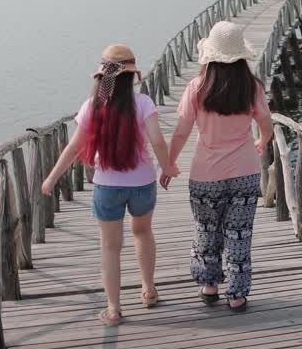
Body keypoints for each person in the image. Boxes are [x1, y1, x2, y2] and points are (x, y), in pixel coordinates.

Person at [43, 44, 178, 326]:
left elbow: (74, 147)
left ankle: (114, 309)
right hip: (142, 182)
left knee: (110, 247)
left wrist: (53, 177)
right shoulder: (143, 103)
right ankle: (149, 290)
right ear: (132, 76)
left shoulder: (93, 106)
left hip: (108, 187)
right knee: (143, 233)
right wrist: (168, 167)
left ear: (102, 76)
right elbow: (157, 140)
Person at [167, 21, 273, 312]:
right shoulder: (252, 87)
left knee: (206, 228)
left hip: (206, 174)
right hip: (245, 172)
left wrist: (168, 163)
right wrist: (262, 141)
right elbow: (266, 122)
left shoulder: (197, 87)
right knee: (240, 232)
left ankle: (209, 285)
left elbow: (181, 130)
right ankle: (237, 294)